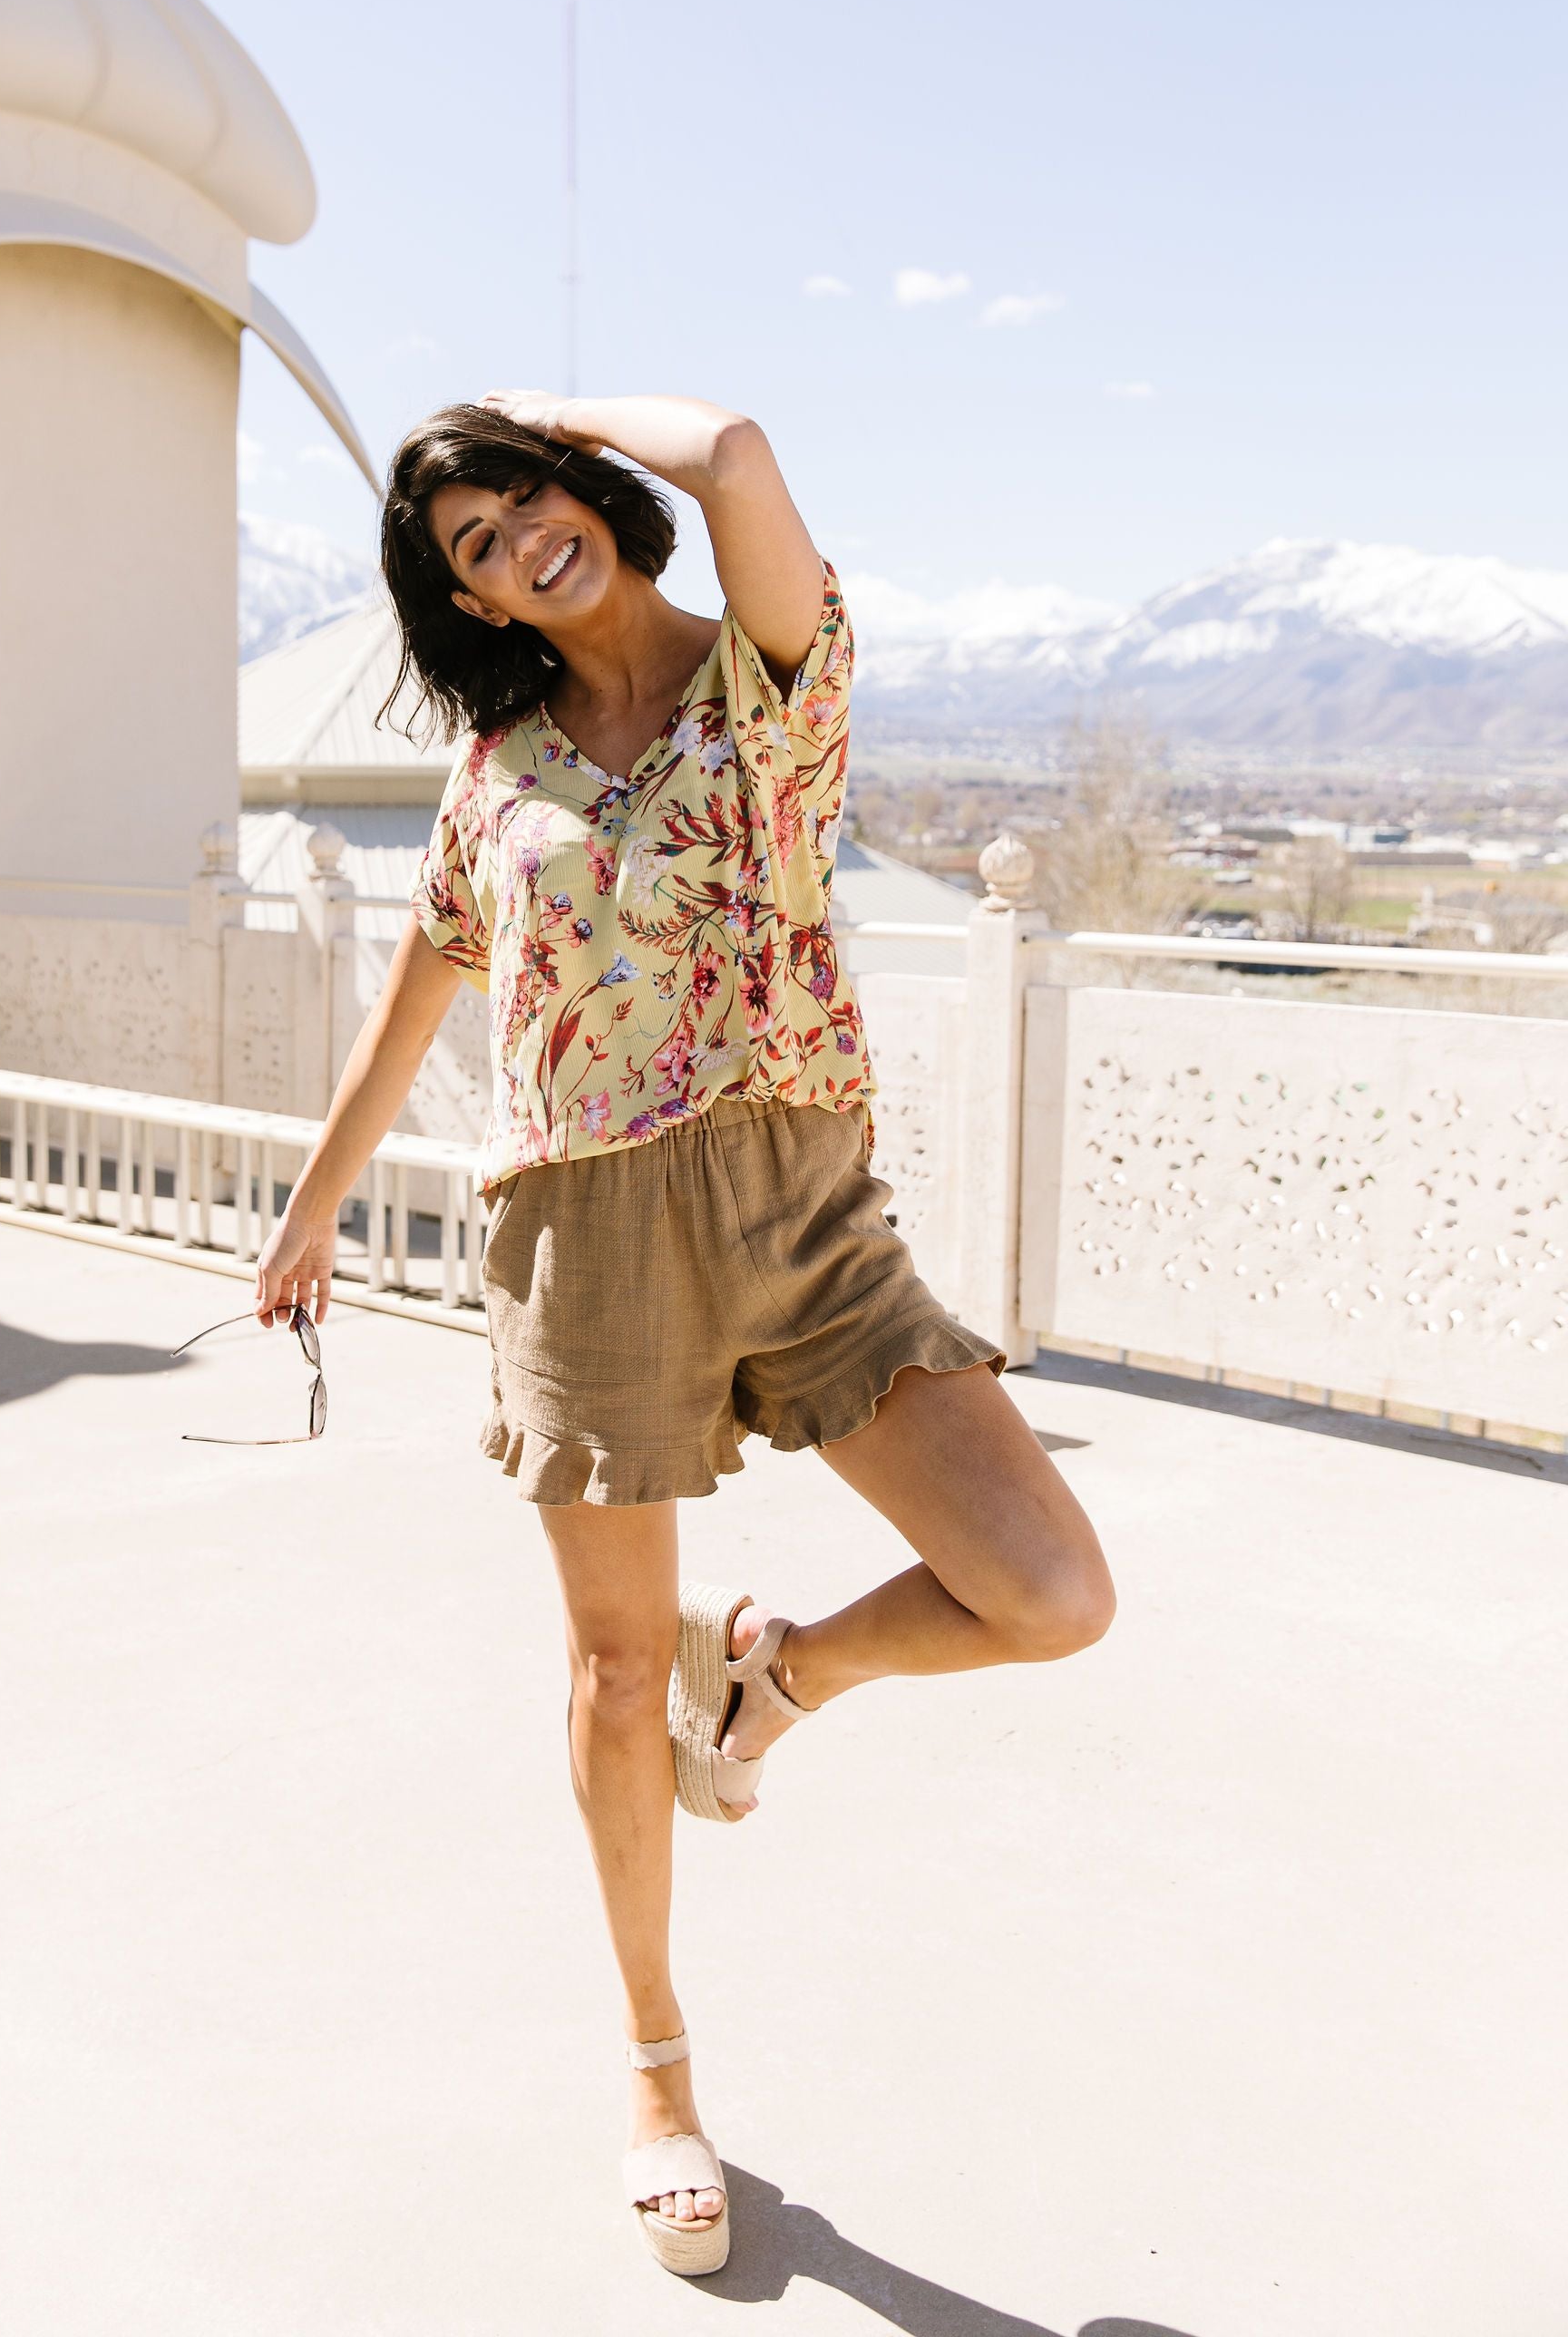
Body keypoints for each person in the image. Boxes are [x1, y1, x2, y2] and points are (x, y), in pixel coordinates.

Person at [252, 394, 1115, 2277]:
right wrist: (318, 1202)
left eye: (523, 505)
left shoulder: (769, 677)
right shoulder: (494, 777)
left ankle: (780, 1678)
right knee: (612, 1673)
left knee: (1047, 1590)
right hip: (582, 1234)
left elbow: (730, 450)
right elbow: (425, 989)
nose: (511, 550)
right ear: (465, 604)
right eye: (468, 550)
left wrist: (550, 416)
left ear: (585, 489)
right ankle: (659, 2078)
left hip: (804, 1212)